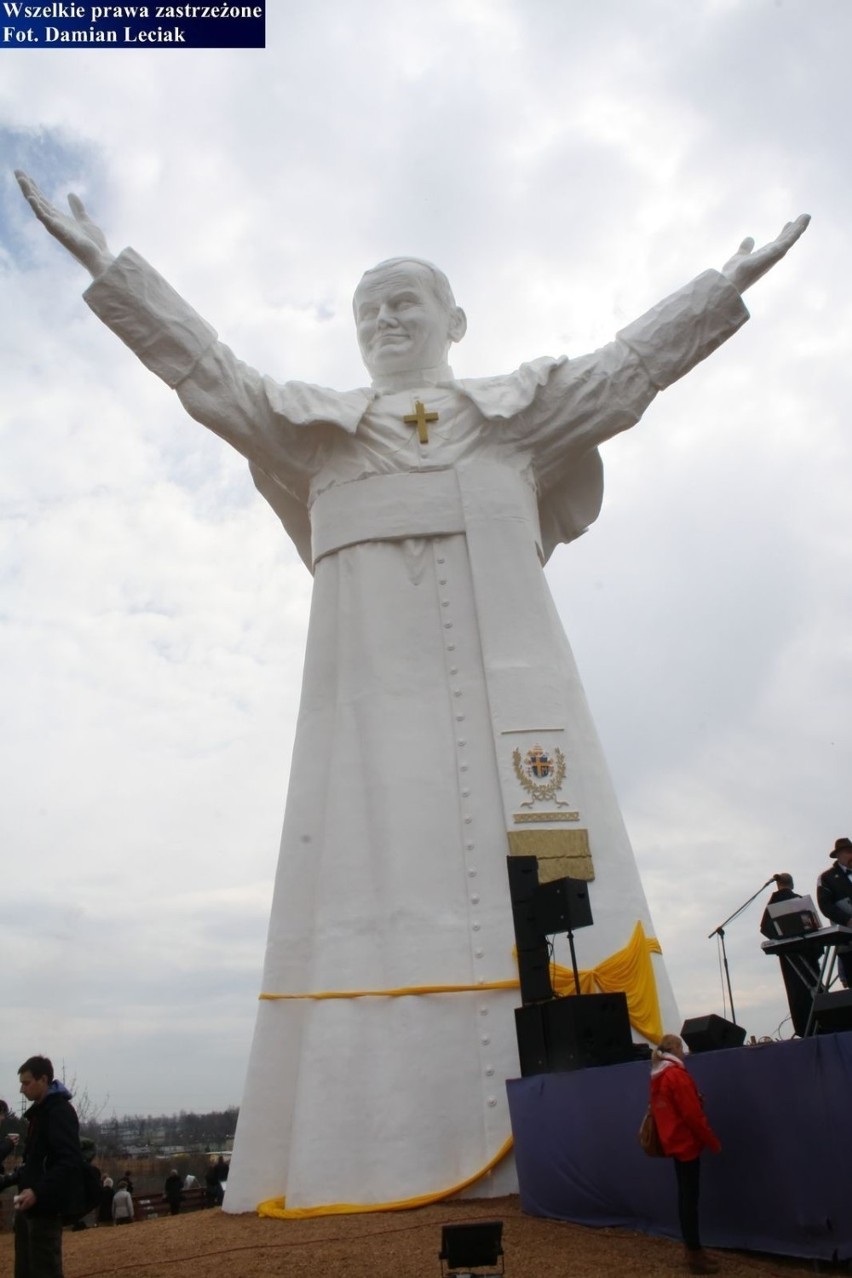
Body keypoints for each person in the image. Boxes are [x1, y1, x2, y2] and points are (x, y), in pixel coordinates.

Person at [14, 170, 809, 1213]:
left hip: (517, 703)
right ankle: (372, 1143)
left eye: (407, 303)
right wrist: (111, 270)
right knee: (361, 874)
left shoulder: (511, 420)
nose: (387, 322)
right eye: (368, 311)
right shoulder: (314, 430)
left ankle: (585, 1127)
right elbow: (206, 372)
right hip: (365, 712)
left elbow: (627, 371)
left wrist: (720, 287)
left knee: (560, 879)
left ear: (454, 321)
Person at [649, 1034, 721, 1275]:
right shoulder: (676, 1076)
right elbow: (691, 1115)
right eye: (681, 1047)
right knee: (690, 1199)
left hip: (673, 1141)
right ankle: (694, 1253)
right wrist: (711, 1141)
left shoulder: (659, 1075)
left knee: (685, 1197)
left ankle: (692, 1249)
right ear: (675, 1048)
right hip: (686, 1142)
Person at [8, 1055, 84, 1278]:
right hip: (28, 1207)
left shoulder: (59, 1112)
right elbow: (34, 1163)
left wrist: (38, 1191)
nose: (22, 1089)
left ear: (43, 1080)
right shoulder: (39, 1114)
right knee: (25, 1270)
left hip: (46, 1209)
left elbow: (69, 1161)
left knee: (44, 1271)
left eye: (26, 1082)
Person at [760, 873, 821, 1036]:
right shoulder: (801, 901)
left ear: (778, 885)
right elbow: (814, 925)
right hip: (807, 951)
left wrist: (782, 940)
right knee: (817, 986)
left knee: (798, 993)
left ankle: (805, 1028)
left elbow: (765, 928)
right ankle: (823, 1022)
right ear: (792, 884)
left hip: (789, 956)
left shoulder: (773, 904)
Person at [816, 837, 852, 986]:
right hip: (847, 940)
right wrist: (847, 920)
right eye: (848, 852)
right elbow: (825, 906)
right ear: (838, 855)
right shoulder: (827, 878)